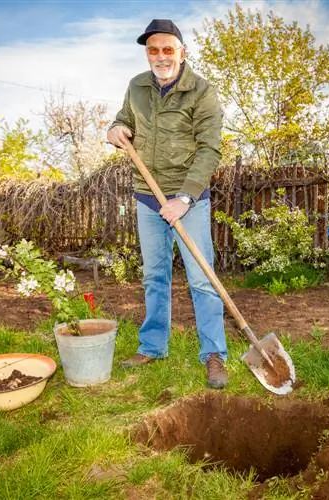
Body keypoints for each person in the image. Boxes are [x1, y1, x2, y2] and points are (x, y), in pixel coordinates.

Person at [107, 19, 228, 389]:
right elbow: (124, 121)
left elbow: (210, 149)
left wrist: (185, 197)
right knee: (154, 277)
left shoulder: (202, 92)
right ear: (148, 53)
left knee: (202, 279)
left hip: (187, 199)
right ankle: (152, 347)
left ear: (181, 52)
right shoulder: (137, 86)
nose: (160, 56)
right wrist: (115, 129)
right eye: (153, 50)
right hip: (148, 196)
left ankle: (213, 354)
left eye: (168, 49)